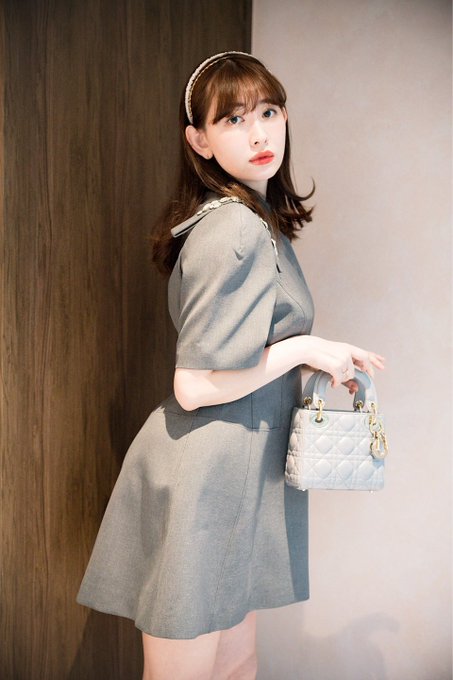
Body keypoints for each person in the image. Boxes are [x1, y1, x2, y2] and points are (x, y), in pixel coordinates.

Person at [76, 51, 385, 680]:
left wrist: (317, 356)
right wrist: (304, 349)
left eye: (268, 112)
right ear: (200, 141)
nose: (259, 133)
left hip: (238, 471)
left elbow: (245, 352)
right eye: (234, 119)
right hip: (207, 476)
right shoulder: (235, 229)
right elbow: (193, 386)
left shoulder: (258, 223)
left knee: (236, 665)